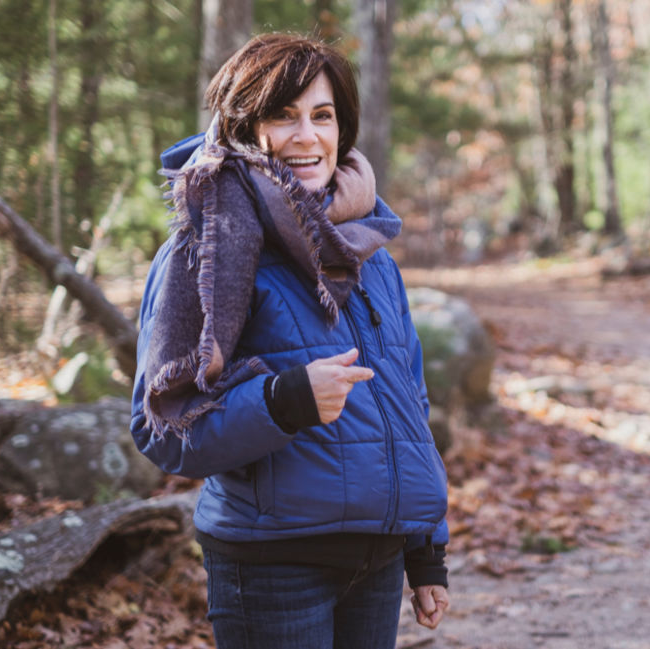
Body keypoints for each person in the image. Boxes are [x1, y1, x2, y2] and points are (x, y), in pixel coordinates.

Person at [130, 33, 451, 649]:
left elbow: (409, 407)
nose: (307, 136)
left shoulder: (369, 249)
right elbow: (162, 431)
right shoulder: (208, 249)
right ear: (245, 126)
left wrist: (424, 550)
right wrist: (285, 403)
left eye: (322, 116)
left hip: (378, 563)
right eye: (284, 115)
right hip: (274, 565)